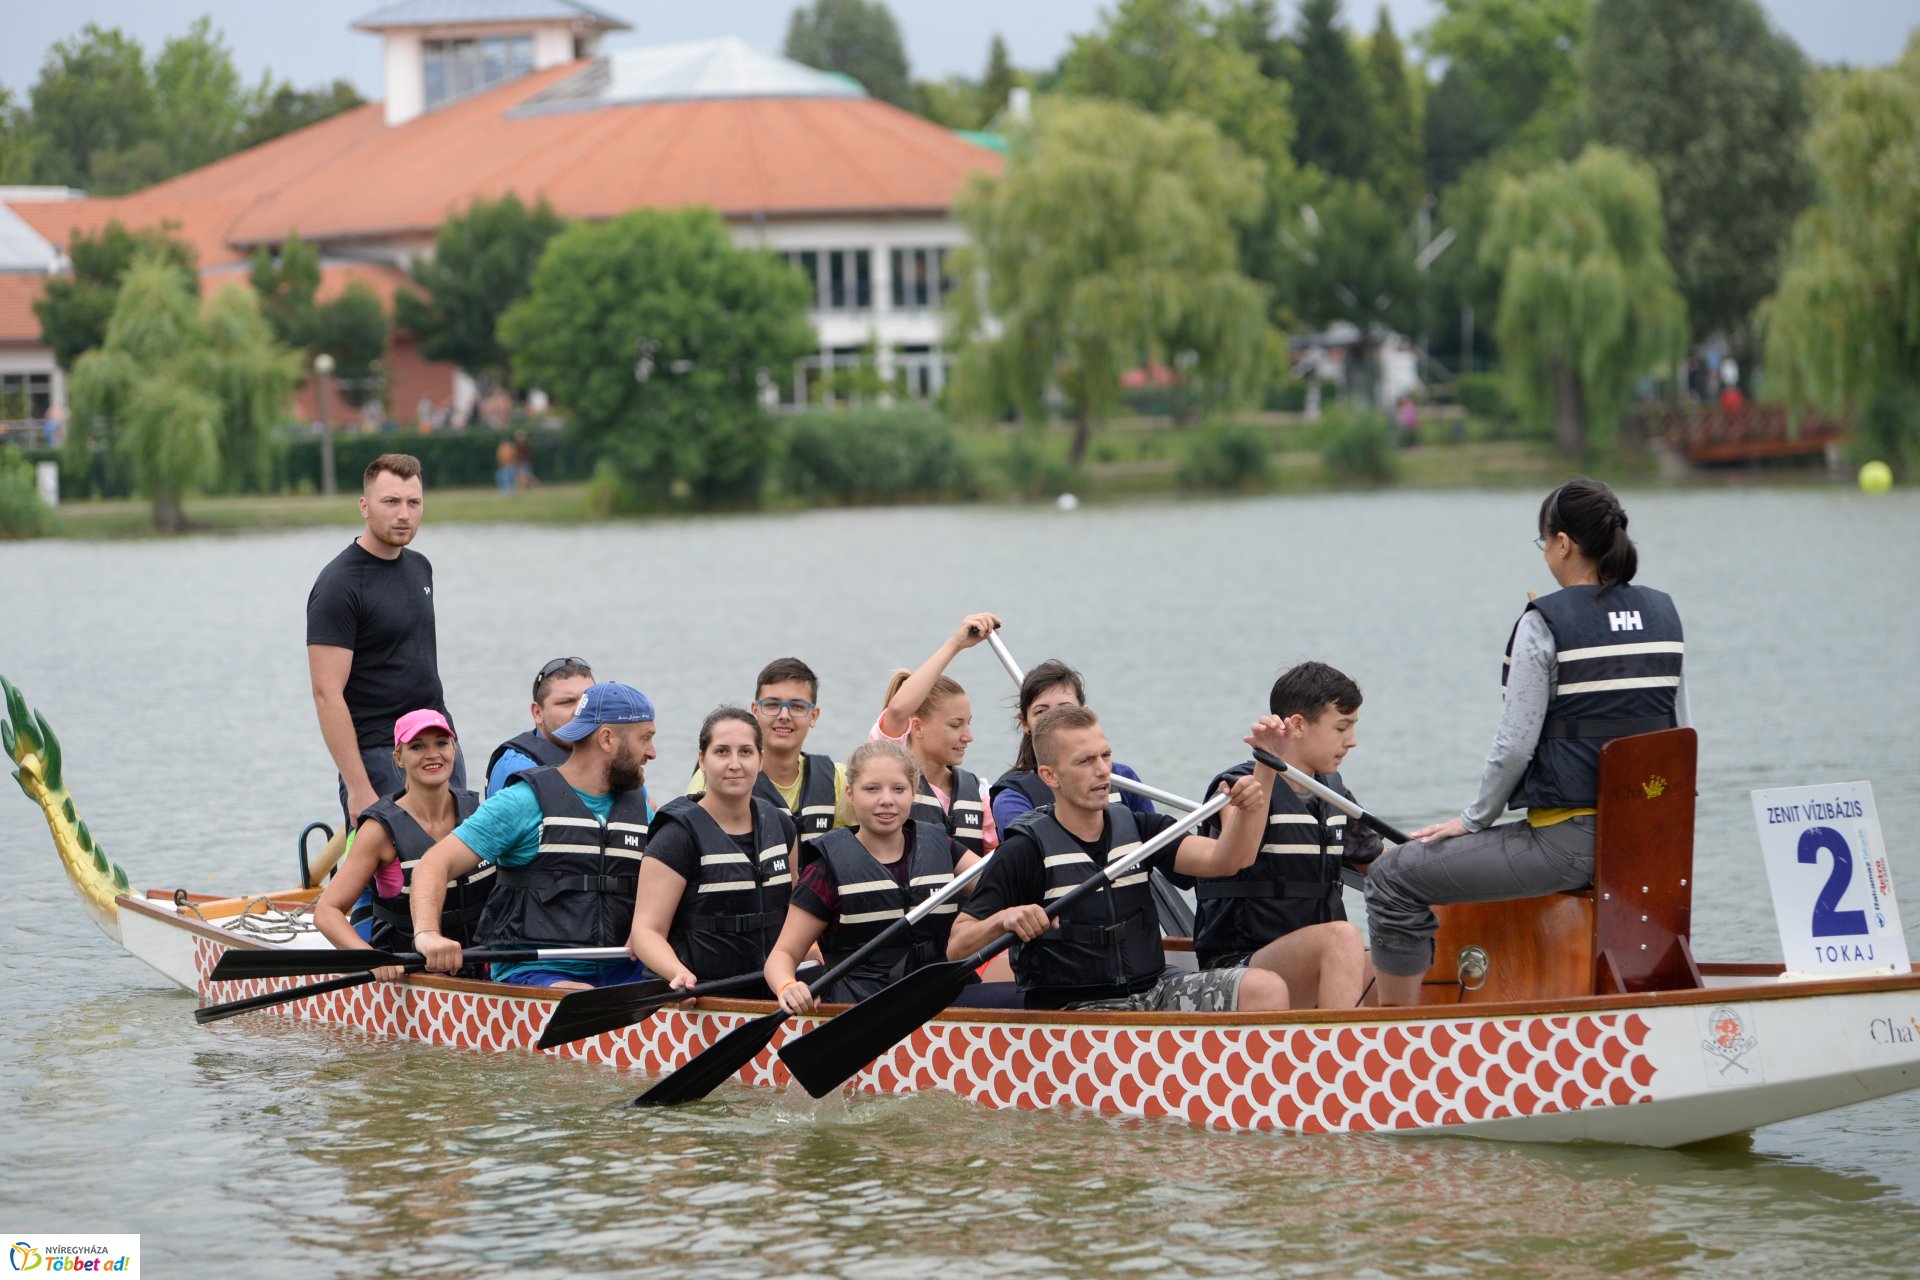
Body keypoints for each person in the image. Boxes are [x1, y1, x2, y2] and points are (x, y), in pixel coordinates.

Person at [1364, 479, 1688, 1006]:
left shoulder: (1545, 622)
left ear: (1562, 543)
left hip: (1571, 843)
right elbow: (1680, 739)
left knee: (1391, 877)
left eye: (1544, 545)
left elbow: (1514, 746)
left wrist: (1473, 820)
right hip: (1651, 842)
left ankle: (1393, 1037)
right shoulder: (1664, 616)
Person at [949, 705, 1292, 1012]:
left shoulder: (1139, 827)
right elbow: (957, 946)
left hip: (1153, 989)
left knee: (1265, 987)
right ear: (1050, 776)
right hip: (1076, 1008)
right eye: (1085, 761)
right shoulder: (1025, 849)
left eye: (1105, 756)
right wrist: (1005, 919)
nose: (1102, 771)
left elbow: (1228, 861)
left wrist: (1262, 777)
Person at [410, 680, 657, 989]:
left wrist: (651, 922)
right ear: (607, 739)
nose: (652, 752)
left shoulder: (640, 809)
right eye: (645, 739)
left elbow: (668, 882)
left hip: (623, 968)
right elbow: (433, 864)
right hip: (537, 970)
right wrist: (428, 935)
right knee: (581, 995)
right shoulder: (523, 801)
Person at [1191, 662, 1375, 1010]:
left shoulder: (1333, 793)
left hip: (1310, 959)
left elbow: (1379, 868)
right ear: (1298, 726)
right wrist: (1267, 762)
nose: (1351, 741)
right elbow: (1235, 851)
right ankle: (1343, 1056)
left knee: (1395, 959)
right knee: (1342, 937)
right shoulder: (1235, 787)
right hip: (1240, 967)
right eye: (1341, 727)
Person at [307, 453, 465, 827]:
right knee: (392, 882)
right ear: (364, 506)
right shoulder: (338, 585)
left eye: (414, 502)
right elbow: (326, 693)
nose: (404, 514)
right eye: (391, 502)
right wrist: (358, 787)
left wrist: (445, 745)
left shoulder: (420, 567)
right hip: (380, 754)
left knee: (459, 870)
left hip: (438, 740)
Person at [765, 740, 979, 1010]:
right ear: (850, 794)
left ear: (913, 792)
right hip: (861, 1006)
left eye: (898, 789)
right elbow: (782, 955)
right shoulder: (826, 869)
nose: (886, 800)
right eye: (872, 789)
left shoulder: (943, 847)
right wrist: (787, 985)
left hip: (942, 991)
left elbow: (999, 884)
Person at [628, 706, 798, 992]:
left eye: (745, 752)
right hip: (701, 996)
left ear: (761, 759)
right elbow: (646, 931)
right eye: (721, 752)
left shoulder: (781, 826)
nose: (734, 764)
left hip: (774, 991)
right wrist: (677, 974)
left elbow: (795, 915)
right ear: (702, 760)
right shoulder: (676, 837)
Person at [313, 710, 487, 977]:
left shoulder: (480, 812)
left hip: (482, 960)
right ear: (398, 758)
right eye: (417, 746)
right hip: (408, 970)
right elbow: (326, 912)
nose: (432, 754)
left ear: (454, 748)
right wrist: (372, 959)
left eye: (441, 743)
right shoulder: (378, 830)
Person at [872, 612, 1001, 859]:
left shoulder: (979, 792)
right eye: (956, 725)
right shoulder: (889, 760)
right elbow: (898, 710)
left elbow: (992, 863)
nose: (968, 736)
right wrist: (956, 644)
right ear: (917, 727)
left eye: (968, 724)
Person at [689, 658, 852, 843]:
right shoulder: (715, 775)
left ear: (813, 716)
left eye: (797, 707)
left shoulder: (838, 779)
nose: (784, 716)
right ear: (755, 710)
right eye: (772, 705)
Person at [990, 659, 1158, 832]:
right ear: (1025, 722)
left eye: (1065, 709)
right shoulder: (1013, 797)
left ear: (1085, 713)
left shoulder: (1123, 778)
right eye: (1041, 712)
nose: (1054, 721)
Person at [485, 657, 595, 797]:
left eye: (587, 701)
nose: (580, 711)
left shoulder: (606, 753)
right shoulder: (519, 768)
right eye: (567, 702)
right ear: (538, 713)